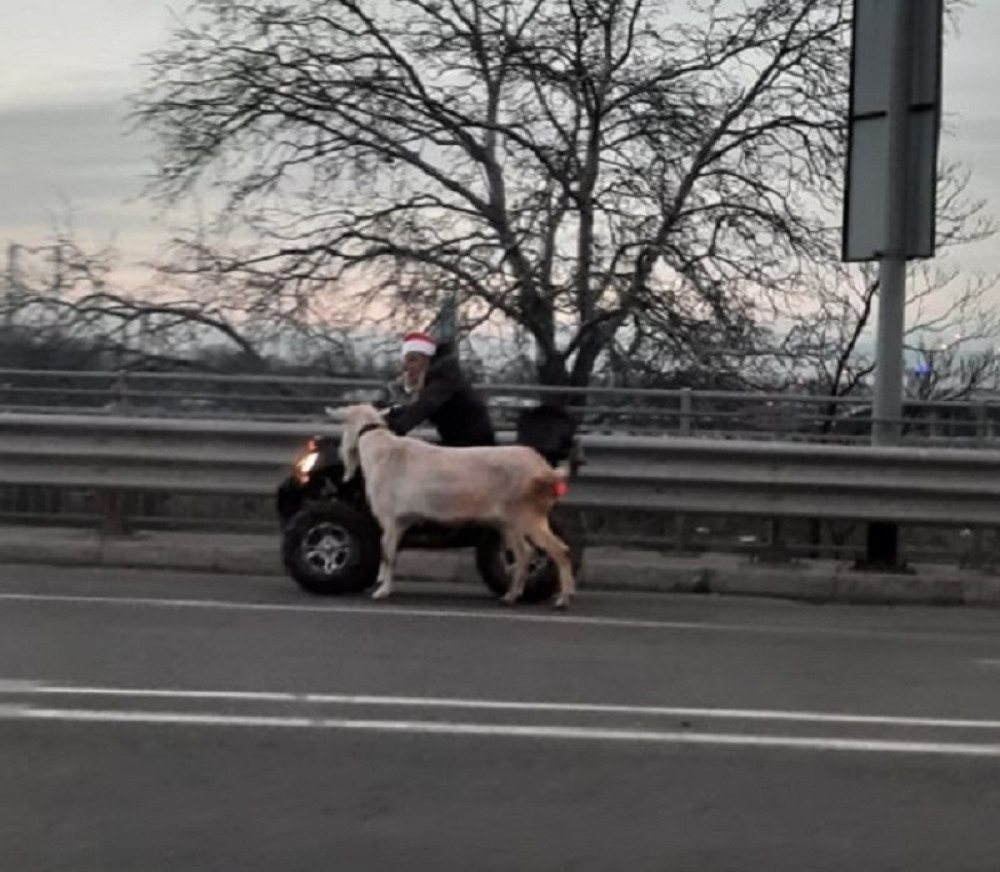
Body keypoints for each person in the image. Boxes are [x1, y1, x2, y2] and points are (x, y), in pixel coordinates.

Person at [383, 331, 496, 447]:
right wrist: (385, 415)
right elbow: (415, 407)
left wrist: (395, 429)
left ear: (427, 360)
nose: (406, 367)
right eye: (405, 360)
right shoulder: (435, 379)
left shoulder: (445, 377)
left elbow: (425, 406)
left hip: (474, 448)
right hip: (458, 445)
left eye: (412, 360)